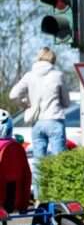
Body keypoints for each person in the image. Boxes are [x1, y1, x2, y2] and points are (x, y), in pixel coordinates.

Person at [10, 47, 70, 198]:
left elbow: (13, 94)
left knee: (38, 163)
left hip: (37, 123)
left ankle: (39, 197)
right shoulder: (58, 75)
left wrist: (26, 104)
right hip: (54, 120)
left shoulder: (29, 76)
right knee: (58, 161)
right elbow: (67, 102)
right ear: (53, 60)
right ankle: (59, 195)